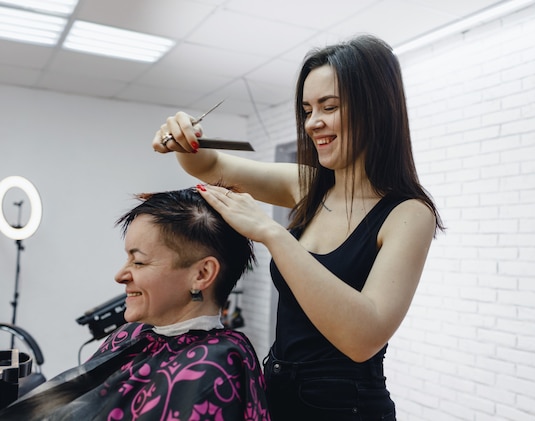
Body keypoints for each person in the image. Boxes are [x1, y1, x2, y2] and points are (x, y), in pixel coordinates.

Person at [153, 34, 444, 421]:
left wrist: (271, 234)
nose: (313, 123)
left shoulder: (408, 214)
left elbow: (363, 338)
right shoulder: (308, 186)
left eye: (329, 107)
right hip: (276, 392)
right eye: (307, 110)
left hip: (347, 409)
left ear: (375, 109)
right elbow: (210, 167)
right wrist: (185, 139)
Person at [0, 188, 270, 421]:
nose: (120, 276)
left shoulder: (212, 368)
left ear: (201, 275)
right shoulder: (134, 333)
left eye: (138, 261)